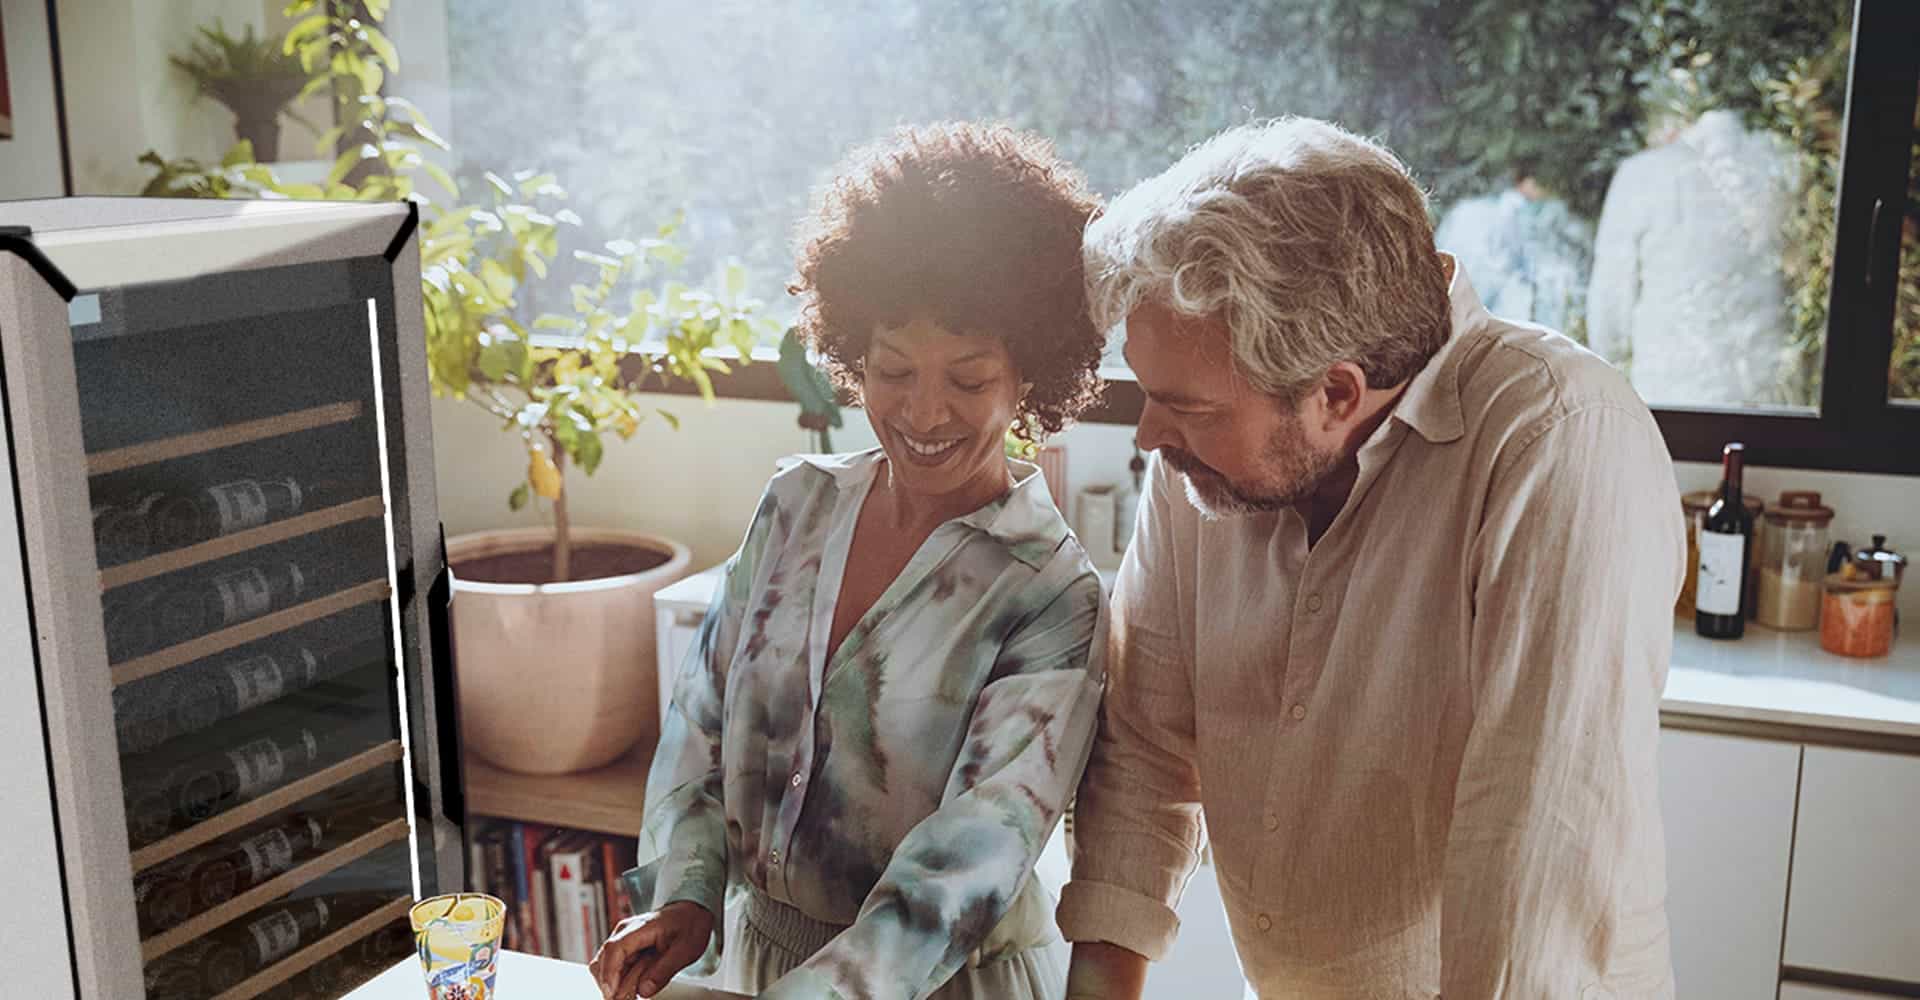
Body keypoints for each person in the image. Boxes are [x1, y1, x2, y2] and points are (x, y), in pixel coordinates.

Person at [1056, 118, 1684, 998]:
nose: (1151, 434)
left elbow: (1535, 855)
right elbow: (1146, 748)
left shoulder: (1561, 442)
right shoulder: (1202, 450)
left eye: (1185, 407)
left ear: (1336, 393)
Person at [590, 121, 1109, 1000]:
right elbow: (701, 725)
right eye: (893, 369)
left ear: (1031, 374)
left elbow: (955, 881)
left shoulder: (1051, 593)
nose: (923, 411)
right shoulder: (795, 507)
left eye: (968, 379)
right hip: (759, 966)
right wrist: (684, 897)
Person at [1586, 105, 1799, 406]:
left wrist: (1610, 367)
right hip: (1770, 396)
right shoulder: (1782, 167)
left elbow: (1610, 305)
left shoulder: (1642, 174)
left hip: (1670, 396)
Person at [1432, 160, 1594, 334]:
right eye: (1537, 184)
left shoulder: (1493, 208)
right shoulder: (1515, 208)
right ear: (1525, 182)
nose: (1543, 191)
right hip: (1497, 280)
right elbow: (1513, 251)